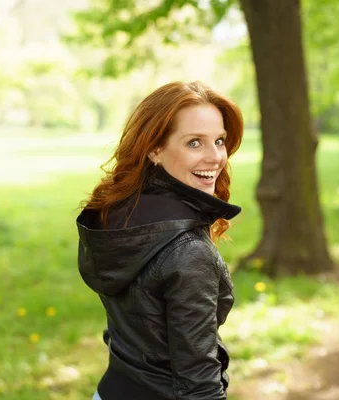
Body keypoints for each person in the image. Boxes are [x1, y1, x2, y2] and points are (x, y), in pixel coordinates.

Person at [76, 81, 243, 399]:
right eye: (195, 143)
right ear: (155, 149)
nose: (215, 157)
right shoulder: (189, 251)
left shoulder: (115, 214)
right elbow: (198, 382)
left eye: (219, 141)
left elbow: (129, 327)